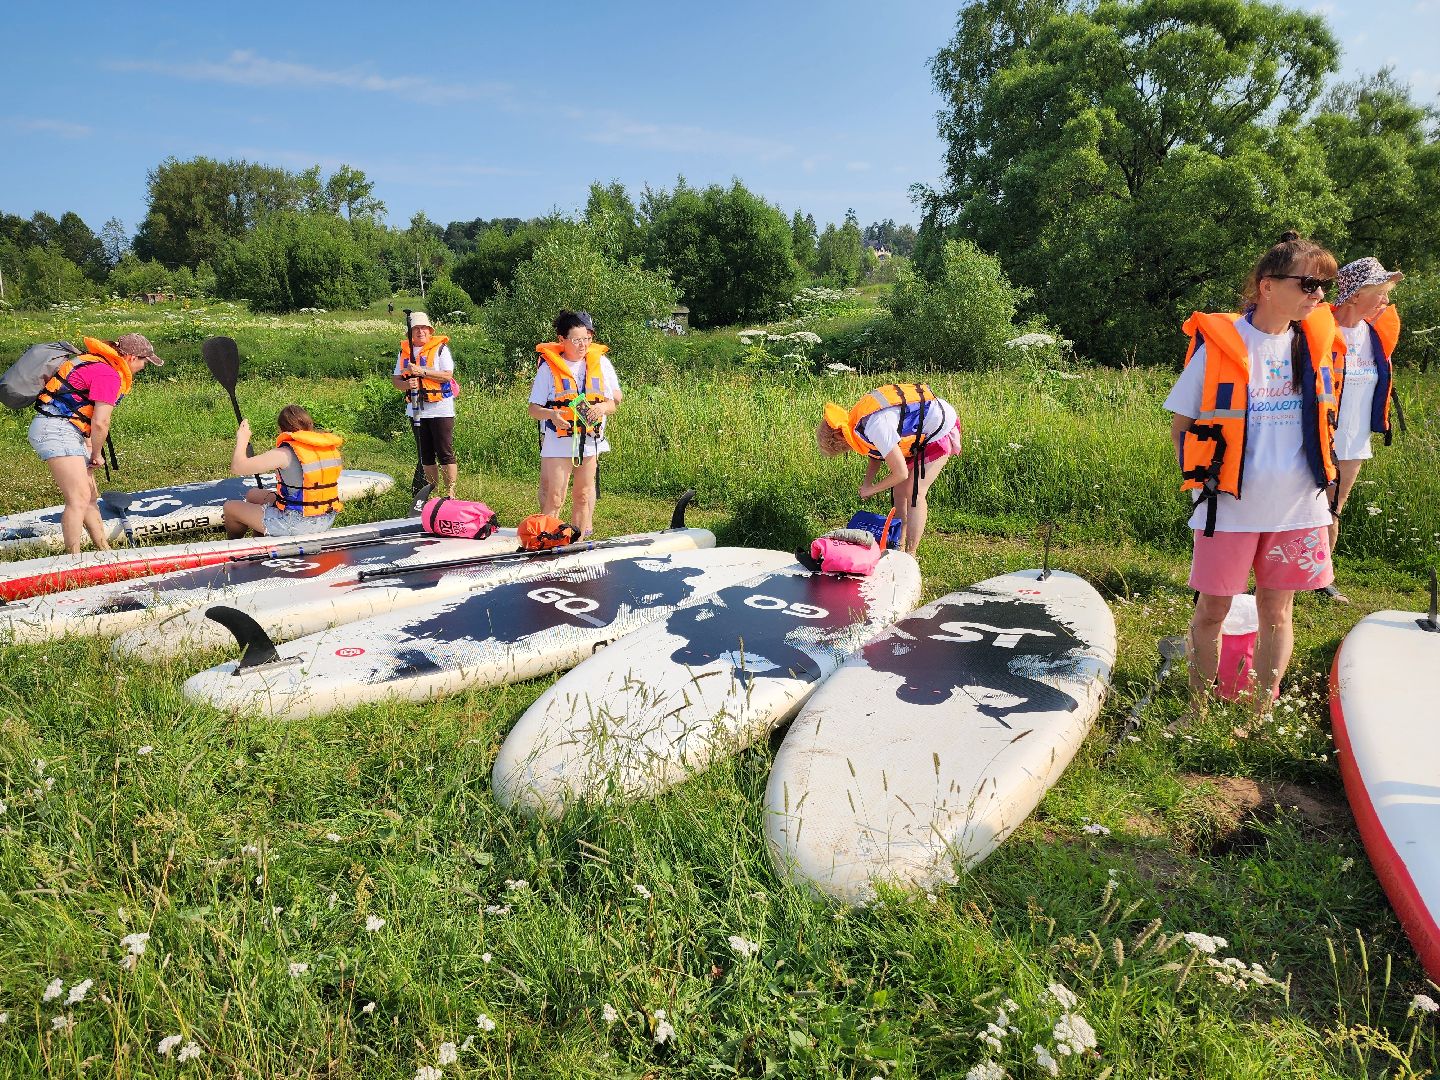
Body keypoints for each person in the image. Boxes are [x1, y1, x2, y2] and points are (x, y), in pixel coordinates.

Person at [1165, 231, 1343, 713]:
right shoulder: (1219, 346)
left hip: (1297, 507)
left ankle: (1261, 711)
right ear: (1267, 286)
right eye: (1308, 284)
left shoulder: (1318, 347)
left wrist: (1328, 504)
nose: (1318, 296)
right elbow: (1181, 425)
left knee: (1278, 613)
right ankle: (1199, 710)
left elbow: (1329, 429)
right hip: (1229, 509)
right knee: (1212, 611)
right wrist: (1203, 481)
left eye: (1322, 285)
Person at [28, 333, 165, 553]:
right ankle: (74, 560)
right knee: (79, 498)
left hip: (67, 430)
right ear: (130, 357)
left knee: (90, 496)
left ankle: (104, 550)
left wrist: (90, 446)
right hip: (56, 430)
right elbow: (101, 422)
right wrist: (97, 454)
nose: (143, 367)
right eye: (144, 361)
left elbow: (84, 412)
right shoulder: (109, 374)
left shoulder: (98, 363)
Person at [1323, 256, 1405, 601]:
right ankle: (1278, 577)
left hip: (1354, 441)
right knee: (1303, 508)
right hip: (1317, 437)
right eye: (1380, 291)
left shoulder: (1374, 336)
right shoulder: (1319, 330)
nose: (1385, 300)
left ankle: (1321, 577)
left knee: (1334, 508)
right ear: (1356, 294)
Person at [815, 383, 962, 554]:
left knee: (915, 491)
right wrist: (866, 484)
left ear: (839, 438)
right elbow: (875, 454)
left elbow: (900, 473)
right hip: (919, 428)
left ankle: (911, 554)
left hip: (940, 427)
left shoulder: (877, 426)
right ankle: (897, 545)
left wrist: (873, 489)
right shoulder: (856, 422)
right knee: (899, 492)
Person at [527, 310, 621, 538]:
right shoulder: (548, 369)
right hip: (559, 440)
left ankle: (579, 539)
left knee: (583, 493)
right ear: (562, 339)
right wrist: (551, 414)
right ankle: (547, 540)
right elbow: (533, 409)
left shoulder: (600, 363)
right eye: (577, 340)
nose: (583, 345)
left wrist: (601, 408)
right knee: (555, 496)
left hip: (589, 440)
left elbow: (613, 403)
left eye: (587, 339)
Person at [221, 406, 344, 539]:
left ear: (280, 429)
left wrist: (242, 439)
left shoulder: (285, 453)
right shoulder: (325, 448)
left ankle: (233, 545)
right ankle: (262, 540)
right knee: (253, 495)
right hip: (326, 518)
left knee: (230, 508)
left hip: (296, 523)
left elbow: (237, 467)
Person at [391, 311, 460, 498]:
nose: (420, 331)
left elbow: (447, 375)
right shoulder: (404, 352)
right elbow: (396, 380)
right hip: (415, 410)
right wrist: (406, 384)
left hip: (440, 409)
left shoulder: (440, 349)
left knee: (445, 452)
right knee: (426, 455)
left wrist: (421, 371)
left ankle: (450, 493)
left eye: (424, 328)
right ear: (410, 332)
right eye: (416, 328)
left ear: (430, 331)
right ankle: (432, 492)